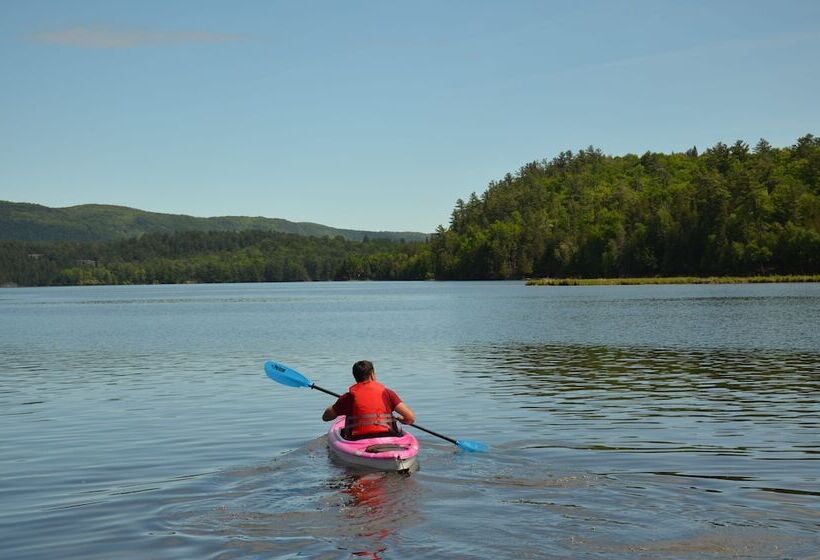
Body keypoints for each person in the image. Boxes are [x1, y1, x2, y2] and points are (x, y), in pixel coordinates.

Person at [322, 360, 415, 439]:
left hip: (357, 440)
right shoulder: (387, 393)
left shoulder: (348, 397)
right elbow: (410, 418)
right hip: (387, 437)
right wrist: (403, 420)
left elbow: (326, 417)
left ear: (355, 377)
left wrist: (338, 405)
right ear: (372, 375)